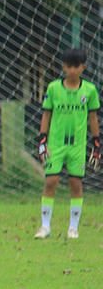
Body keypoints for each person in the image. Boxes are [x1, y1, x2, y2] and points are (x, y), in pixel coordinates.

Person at [34, 48, 101, 239]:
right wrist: (42, 139)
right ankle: (45, 226)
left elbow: (93, 117)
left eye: (77, 66)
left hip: (77, 146)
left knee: (75, 184)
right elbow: (47, 114)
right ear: (63, 67)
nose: (72, 70)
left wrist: (96, 144)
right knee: (51, 181)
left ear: (83, 67)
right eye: (69, 66)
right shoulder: (54, 88)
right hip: (56, 143)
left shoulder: (89, 90)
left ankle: (73, 228)